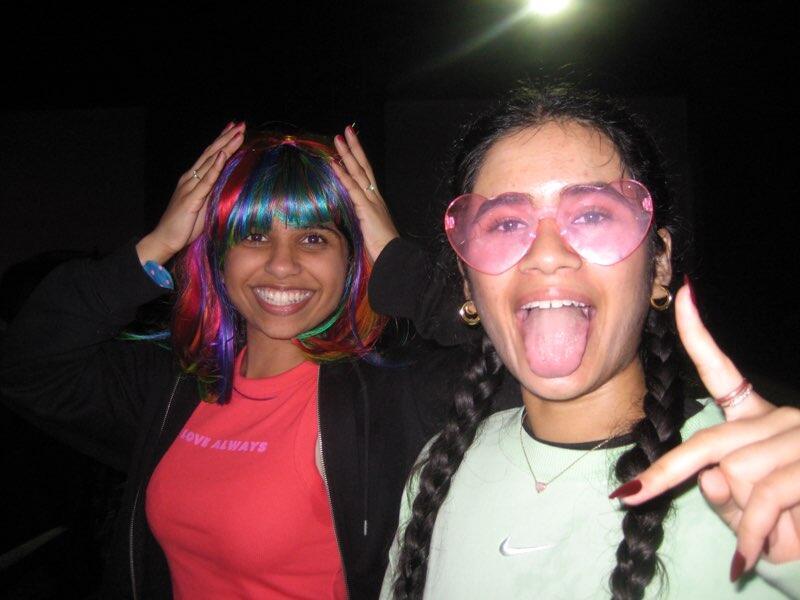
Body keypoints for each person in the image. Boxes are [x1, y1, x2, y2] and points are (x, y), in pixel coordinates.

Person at [0, 126, 522, 599]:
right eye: (254, 235)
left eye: (313, 238)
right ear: (218, 255)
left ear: (350, 259)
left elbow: (530, 377)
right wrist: (156, 247)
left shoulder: (392, 398)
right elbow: (29, 364)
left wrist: (398, 265)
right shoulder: (174, 388)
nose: (281, 264)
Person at [331, 85, 800, 599]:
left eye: (593, 215)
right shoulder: (437, 470)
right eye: (506, 224)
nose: (547, 253)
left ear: (660, 263)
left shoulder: (762, 480)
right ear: (467, 283)